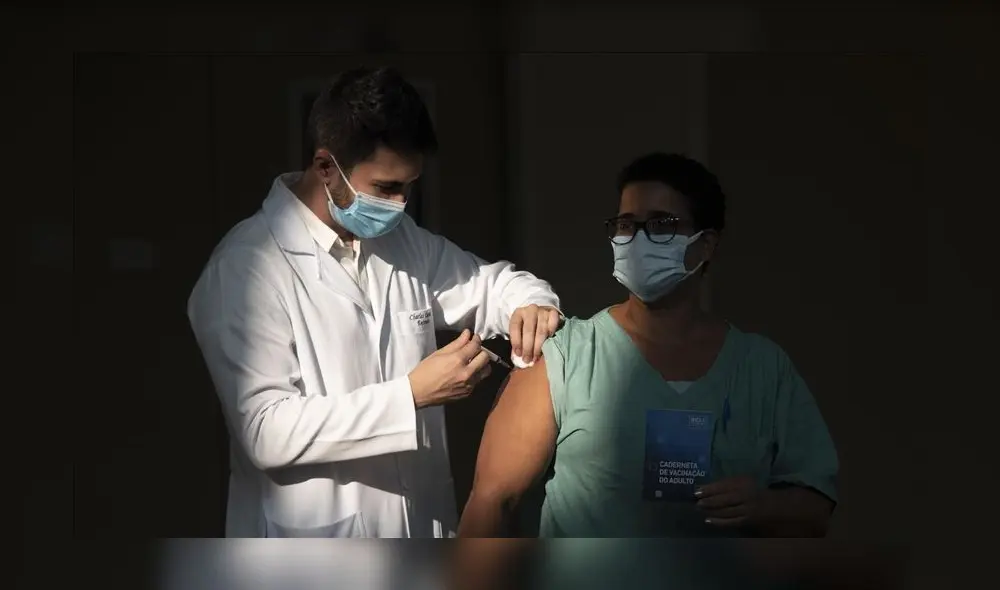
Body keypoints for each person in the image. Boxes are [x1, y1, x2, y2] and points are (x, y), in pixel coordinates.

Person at [187, 66, 562, 538]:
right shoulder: (245, 267)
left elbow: (494, 285)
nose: (401, 204)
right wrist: (409, 395)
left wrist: (533, 306)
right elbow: (266, 429)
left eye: (409, 186)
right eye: (386, 188)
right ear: (326, 166)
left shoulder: (403, 242)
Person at [458, 153, 838, 538]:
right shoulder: (568, 355)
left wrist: (764, 506)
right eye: (626, 225)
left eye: (661, 224)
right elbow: (491, 501)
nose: (638, 239)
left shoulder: (762, 369)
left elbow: (816, 508)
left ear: (705, 245)